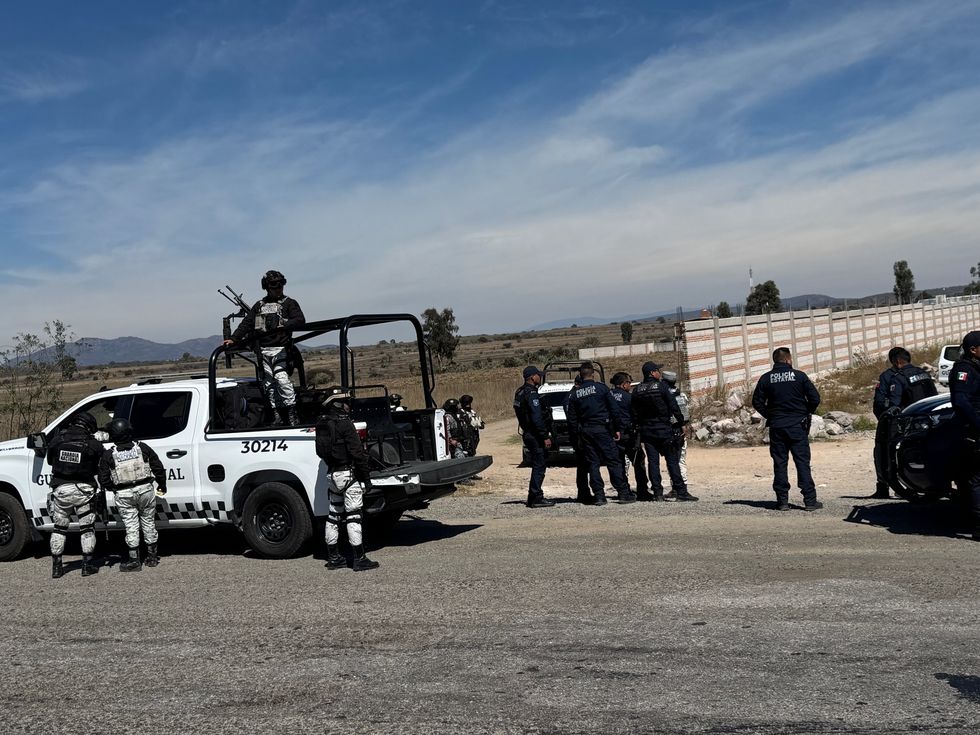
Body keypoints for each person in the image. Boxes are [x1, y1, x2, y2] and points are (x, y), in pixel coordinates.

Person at [222, 269, 306, 426]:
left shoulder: (289, 303)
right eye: (274, 286)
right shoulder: (259, 306)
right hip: (263, 351)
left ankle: (292, 415)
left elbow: (300, 320)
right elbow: (247, 323)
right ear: (267, 287)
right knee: (269, 384)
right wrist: (233, 339)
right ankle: (276, 415)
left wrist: (284, 325)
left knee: (282, 381)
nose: (278, 289)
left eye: (280, 285)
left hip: (281, 350)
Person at [315, 387, 380, 571]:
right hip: (348, 475)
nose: (348, 406)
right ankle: (359, 559)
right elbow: (357, 453)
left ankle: (334, 558)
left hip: (332, 475)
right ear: (338, 404)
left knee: (334, 515)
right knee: (354, 516)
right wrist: (366, 478)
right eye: (346, 402)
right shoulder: (345, 423)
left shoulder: (322, 423)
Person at [752, 348, 822, 511]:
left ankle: (782, 501)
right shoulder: (799, 376)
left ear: (775, 361)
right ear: (788, 360)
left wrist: (770, 414)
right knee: (802, 463)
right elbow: (815, 398)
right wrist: (806, 412)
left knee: (780, 463)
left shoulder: (766, 378)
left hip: (777, 427)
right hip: (798, 426)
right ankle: (810, 501)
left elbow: (757, 401)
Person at [98, 418, 168, 572]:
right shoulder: (142, 447)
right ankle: (152, 557)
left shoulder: (109, 454)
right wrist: (162, 485)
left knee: (131, 526)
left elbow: (103, 479)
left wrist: (115, 488)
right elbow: (158, 467)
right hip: (145, 489)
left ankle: (134, 561)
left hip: (124, 493)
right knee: (149, 522)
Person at [871, 346, 938, 499]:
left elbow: (882, 403)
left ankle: (885, 486)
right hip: (927, 421)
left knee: (885, 451)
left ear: (897, 361)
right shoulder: (924, 374)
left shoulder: (891, 377)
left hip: (901, 421)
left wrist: (884, 419)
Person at [46, 412, 105, 578]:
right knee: (87, 529)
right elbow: (99, 466)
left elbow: (50, 461)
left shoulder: (57, 440)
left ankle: (57, 567)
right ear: (89, 427)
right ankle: (87, 566)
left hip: (61, 491)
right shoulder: (93, 444)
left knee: (59, 529)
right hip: (84, 491)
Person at [566, 362, 635, 504]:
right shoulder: (602, 388)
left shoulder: (575, 395)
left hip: (586, 432)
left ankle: (599, 495)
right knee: (613, 461)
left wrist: (575, 438)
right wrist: (617, 429)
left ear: (580, 375)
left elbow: (572, 420)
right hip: (602, 429)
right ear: (592, 374)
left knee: (593, 463)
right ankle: (622, 493)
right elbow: (614, 409)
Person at [631, 362, 696, 501]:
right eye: (657, 370)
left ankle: (657, 493)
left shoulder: (637, 390)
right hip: (664, 430)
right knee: (672, 461)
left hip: (647, 432)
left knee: (653, 463)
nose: (659, 373)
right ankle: (680, 492)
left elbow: (634, 413)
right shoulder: (661, 387)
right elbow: (673, 405)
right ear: (652, 373)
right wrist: (682, 423)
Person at [948, 331, 980, 541]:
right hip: (974, 432)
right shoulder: (964, 370)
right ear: (973, 349)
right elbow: (961, 401)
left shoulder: (976, 368)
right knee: (978, 478)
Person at [514, 365, 555, 508]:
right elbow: (536, 418)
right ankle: (536, 497)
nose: (540, 377)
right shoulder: (531, 394)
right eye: (538, 375)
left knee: (538, 464)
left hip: (528, 432)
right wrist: (544, 436)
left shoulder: (519, 392)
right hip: (535, 434)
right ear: (532, 377)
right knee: (539, 465)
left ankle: (534, 496)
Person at [610, 372, 650, 500]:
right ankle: (643, 491)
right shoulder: (628, 397)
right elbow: (636, 415)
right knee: (638, 461)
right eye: (629, 383)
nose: (630, 386)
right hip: (629, 435)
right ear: (623, 384)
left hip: (614, 435)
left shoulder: (608, 396)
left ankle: (623, 491)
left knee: (619, 464)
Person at [566, 375, 601, 504]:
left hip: (580, 434)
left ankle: (584, 492)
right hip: (579, 435)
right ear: (577, 384)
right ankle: (584, 493)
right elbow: (572, 419)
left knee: (585, 465)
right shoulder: (572, 397)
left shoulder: (574, 396)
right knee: (584, 465)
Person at [661, 370, 690, 485]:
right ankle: (683, 484)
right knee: (681, 460)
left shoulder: (664, 396)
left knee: (672, 461)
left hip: (671, 431)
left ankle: (676, 486)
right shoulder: (682, 395)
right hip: (682, 431)